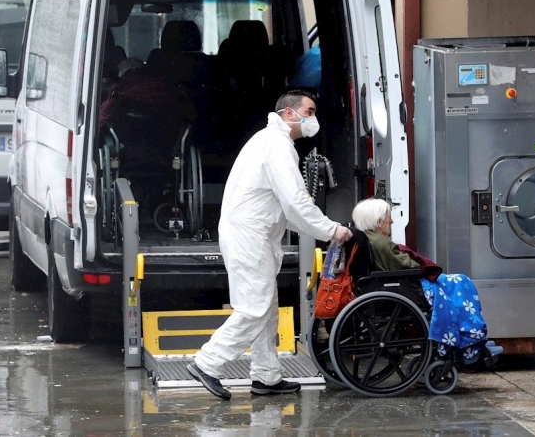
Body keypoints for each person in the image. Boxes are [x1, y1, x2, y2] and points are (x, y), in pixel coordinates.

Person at [187, 90, 353, 400]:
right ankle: (207, 362)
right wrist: (332, 230)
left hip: (254, 233)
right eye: (310, 110)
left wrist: (321, 227)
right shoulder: (276, 146)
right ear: (290, 114)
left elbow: (285, 208)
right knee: (255, 307)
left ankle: (266, 376)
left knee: (266, 309)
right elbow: (295, 202)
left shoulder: (271, 142)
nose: (313, 118)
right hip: (250, 235)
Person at [351, 199, 503, 365]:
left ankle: (470, 339)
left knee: (457, 285)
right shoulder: (381, 242)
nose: (392, 221)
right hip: (407, 286)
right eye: (389, 217)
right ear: (379, 221)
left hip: (389, 285)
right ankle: (471, 341)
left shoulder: (370, 239)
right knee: (462, 282)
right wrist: (420, 264)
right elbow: (407, 265)